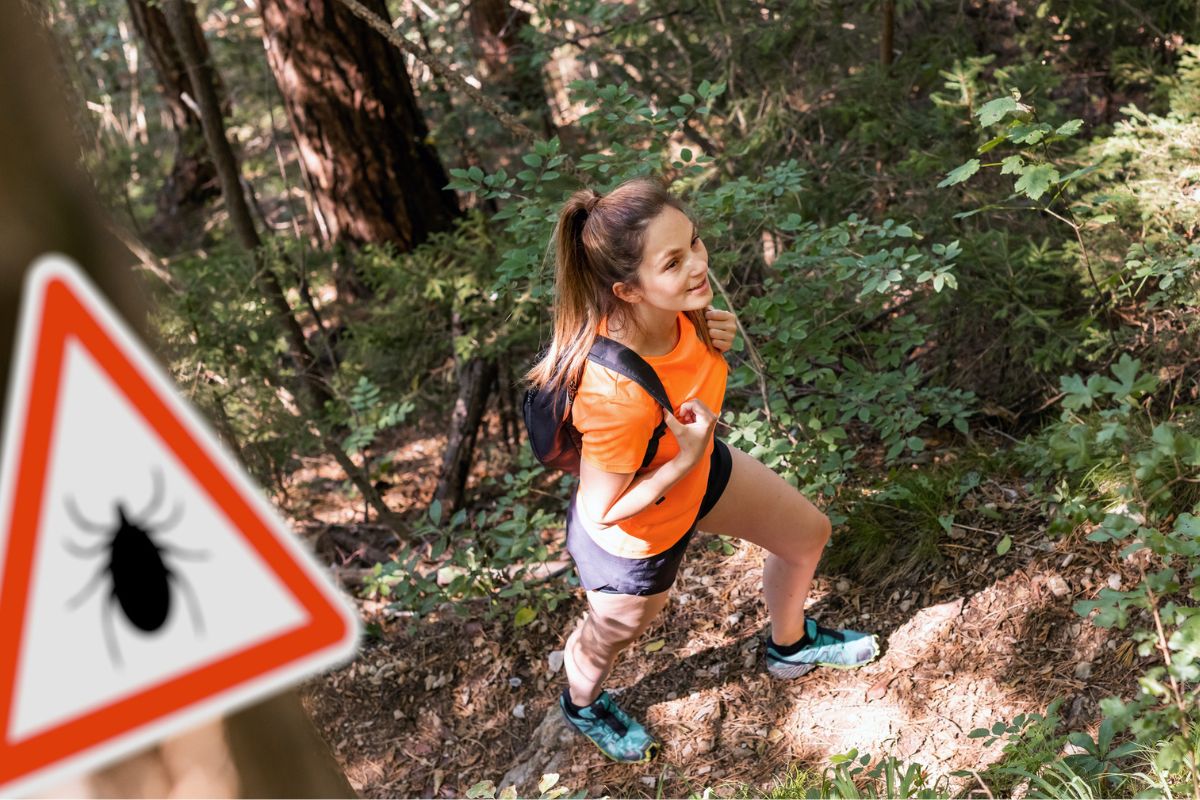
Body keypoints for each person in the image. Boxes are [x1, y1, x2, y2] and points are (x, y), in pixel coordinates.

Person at [524, 177, 879, 764]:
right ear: (628, 290)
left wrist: (716, 343)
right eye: (672, 262)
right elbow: (602, 511)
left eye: (693, 242)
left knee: (807, 535)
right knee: (613, 635)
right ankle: (581, 704)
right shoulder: (612, 395)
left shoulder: (685, 314)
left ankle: (790, 646)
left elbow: (689, 386)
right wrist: (686, 457)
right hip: (635, 536)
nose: (697, 264)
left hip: (699, 474)